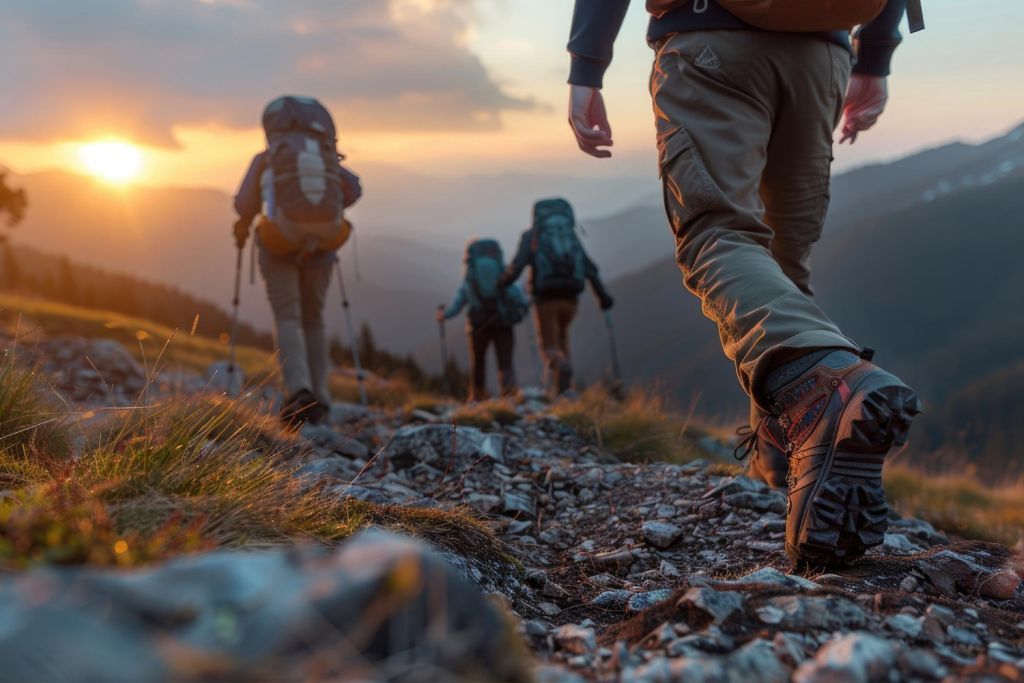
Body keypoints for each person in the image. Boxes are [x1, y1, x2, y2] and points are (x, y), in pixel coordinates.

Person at [565, 2, 923, 567]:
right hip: (822, 51)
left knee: (715, 236)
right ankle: (788, 462)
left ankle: (821, 389)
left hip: (710, 41)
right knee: (784, 265)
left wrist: (587, 64)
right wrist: (873, 58)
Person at [233, 96, 362, 427]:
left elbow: (243, 202)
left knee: (288, 317)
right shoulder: (326, 158)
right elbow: (354, 189)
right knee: (314, 320)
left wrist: (247, 222)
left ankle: (298, 392)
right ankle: (323, 397)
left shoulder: (267, 159)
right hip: (324, 244)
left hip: (279, 242)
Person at [500, 198, 614, 396]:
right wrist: (603, 298)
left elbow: (517, 267)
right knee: (562, 337)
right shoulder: (571, 234)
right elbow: (589, 268)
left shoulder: (532, 237)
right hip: (571, 300)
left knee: (549, 346)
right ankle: (563, 389)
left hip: (545, 300)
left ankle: (561, 372)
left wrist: (501, 284)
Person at [439, 239, 529, 402]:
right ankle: (508, 395)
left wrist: (444, 315)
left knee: (478, 362)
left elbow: (458, 303)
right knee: (505, 361)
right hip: (503, 323)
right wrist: (526, 301)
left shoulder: (470, 276)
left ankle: (478, 396)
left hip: (477, 325)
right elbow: (518, 298)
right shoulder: (502, 272)